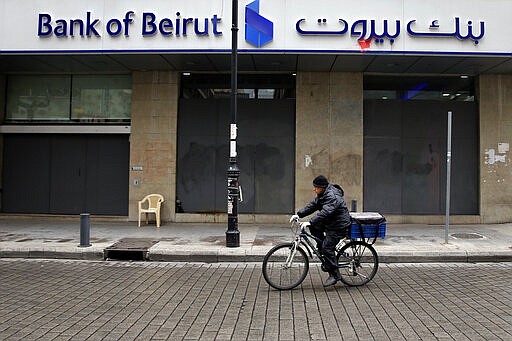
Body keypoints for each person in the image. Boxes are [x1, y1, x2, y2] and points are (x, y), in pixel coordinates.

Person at [290, 175, 351, 287]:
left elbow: (326, 212)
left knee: (327, 248)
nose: (314, 189)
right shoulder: (322, 194)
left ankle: (335, 275)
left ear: (322, 187)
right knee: (314, 227)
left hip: (338, 225)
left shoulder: (332, 196)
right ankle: (321, 246)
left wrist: (310, 221)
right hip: (331, 223)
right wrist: (298, 214)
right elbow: (313, 206)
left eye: (316, 187)